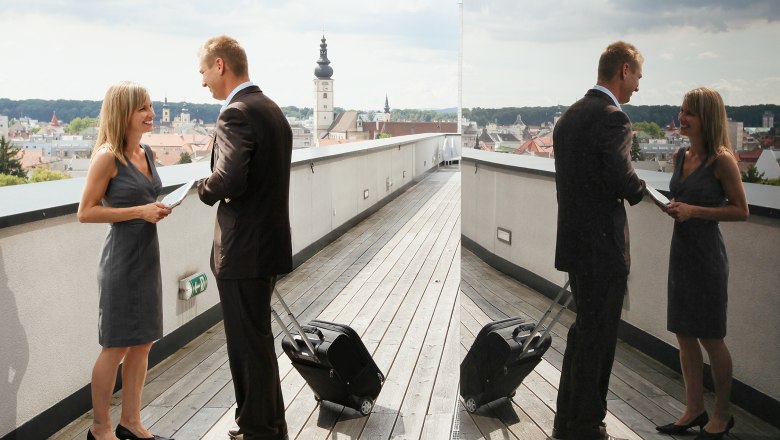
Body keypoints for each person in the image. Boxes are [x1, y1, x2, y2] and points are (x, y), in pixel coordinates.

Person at [197, 35, 293, 440]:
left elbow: (230, 178)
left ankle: (256, 431)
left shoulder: (235, 113)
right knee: (258, 341)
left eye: (203, 71)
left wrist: (203, 187)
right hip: (268, 245)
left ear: (220, 65)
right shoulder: (271, 109)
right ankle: (271, 425)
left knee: (245, 345)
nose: (201, 81)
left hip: (242, 250)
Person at [552, 41, 646, 440]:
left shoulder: (568, 117)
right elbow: (622, 180)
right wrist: (642, 189)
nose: (638, 87)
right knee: (600, 337)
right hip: (603, 247)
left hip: (574, 244)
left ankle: (567, 421)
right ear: (623, 70)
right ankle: (588, 425)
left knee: (582, 332)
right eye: (638, 77)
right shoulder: (614, 118)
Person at [77, 82, 173, 440]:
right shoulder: (108, 156)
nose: (151, 114)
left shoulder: (146, 153)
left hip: (147, 258)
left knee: (143, 343)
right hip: (120, 263)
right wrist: (140, 211)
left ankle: (131, 421)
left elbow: (145, 202)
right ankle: (100, 428)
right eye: (143, 109)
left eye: (149, 107)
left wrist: (158, 209)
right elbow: (85, 213)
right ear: (124, 114)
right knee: (115, 346)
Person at [655, 88, 747, 440]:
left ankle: (722, 415)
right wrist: (674, 206)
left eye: (689, 112)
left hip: (707, 258)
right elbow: (684, 199)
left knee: (711, 338)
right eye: (681, 110)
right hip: (681, 254)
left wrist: (694, 212)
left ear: (706, 117)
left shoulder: (721, 159)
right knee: (684, 336)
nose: (682, 117)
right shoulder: (681, 155)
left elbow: (741, 211)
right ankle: (694, 409)